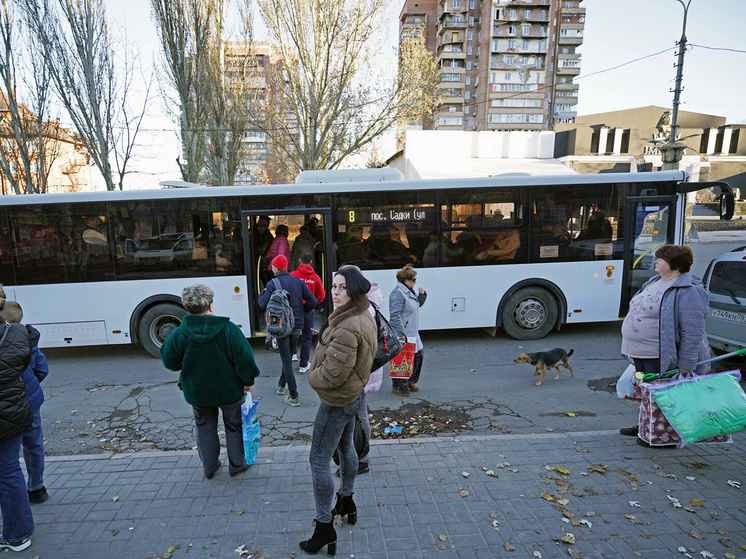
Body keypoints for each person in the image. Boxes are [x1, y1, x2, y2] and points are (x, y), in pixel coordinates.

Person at [300, 265, 377, 554]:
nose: (335, 291)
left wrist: (310, 375)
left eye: (342, 287)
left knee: (318, 460)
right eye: (334, 286)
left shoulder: (347, 326)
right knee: (346, 449)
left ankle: (324, 528)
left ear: (354, 290)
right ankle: (346, 502)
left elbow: (333, 374)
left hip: (337, 401)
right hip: (354, 396)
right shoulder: (361, 315)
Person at [160, 284, 261, 478]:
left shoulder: (180, 333)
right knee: (234, 426)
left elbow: (169, 361)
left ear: (187, 308)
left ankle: (210, 467)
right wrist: (248, 382)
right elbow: (245, 360)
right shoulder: (228, 329)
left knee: (204, 426)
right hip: (230, 391)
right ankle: (237, 465)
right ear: (211, 305)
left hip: (197, 392)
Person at [619, 244, 710, 447]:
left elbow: (693, 330)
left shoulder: (689, 291)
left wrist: (687, 361)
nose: (656, 261)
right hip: (641, 353)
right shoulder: (654, 281)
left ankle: (662, 436)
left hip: (658, 354)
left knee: (662, 394)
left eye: (660, 259)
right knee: (645, 391)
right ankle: (645, 426)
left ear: (674, 264)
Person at [2, 302, 50, 504]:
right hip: (30, 401)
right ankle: (36, 487)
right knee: (34, 445)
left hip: (8, 403)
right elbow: (42, 369)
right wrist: (30, 386)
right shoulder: (29, 339)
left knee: (8, 455)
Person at [258, 255, 317, 407]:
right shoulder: (298, 282)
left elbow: (262, 304)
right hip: (297, 325)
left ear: (277, 267)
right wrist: (302, 311)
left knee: (286, 360)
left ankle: (294, 396)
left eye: (273, 266)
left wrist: (262, 293)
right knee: (289, 356)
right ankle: (281, 385)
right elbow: (313, 301)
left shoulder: (272, 283)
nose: (272, 268)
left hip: (281, 327)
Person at [0, 309, 35, 552]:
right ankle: (18, 532)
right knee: (10, 469)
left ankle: (17, 535)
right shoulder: (17, 333)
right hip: (15, 410)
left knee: (7, 470)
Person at [389, 264, 427, 397]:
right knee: (403, 361)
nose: (415, 282)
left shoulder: (409, 291)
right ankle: (399, 387)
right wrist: (401, 334)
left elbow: (415, 305)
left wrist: (422, 296)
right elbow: (395, 316)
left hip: (412, 332)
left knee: (417, 357)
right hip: (404, 333)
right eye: (413, 280)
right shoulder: (398, 294)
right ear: (406, 280)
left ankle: (410, 381)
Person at [290, 251, 326, 374]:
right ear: (311, 262)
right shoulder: (315, 277)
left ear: (299, 261)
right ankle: (303, 364)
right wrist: (313, 303)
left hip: (294, 310)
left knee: (292, 333)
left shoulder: (292, 275)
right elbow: (321, 296)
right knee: (306, 338)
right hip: (308, 311)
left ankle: (292, 354)